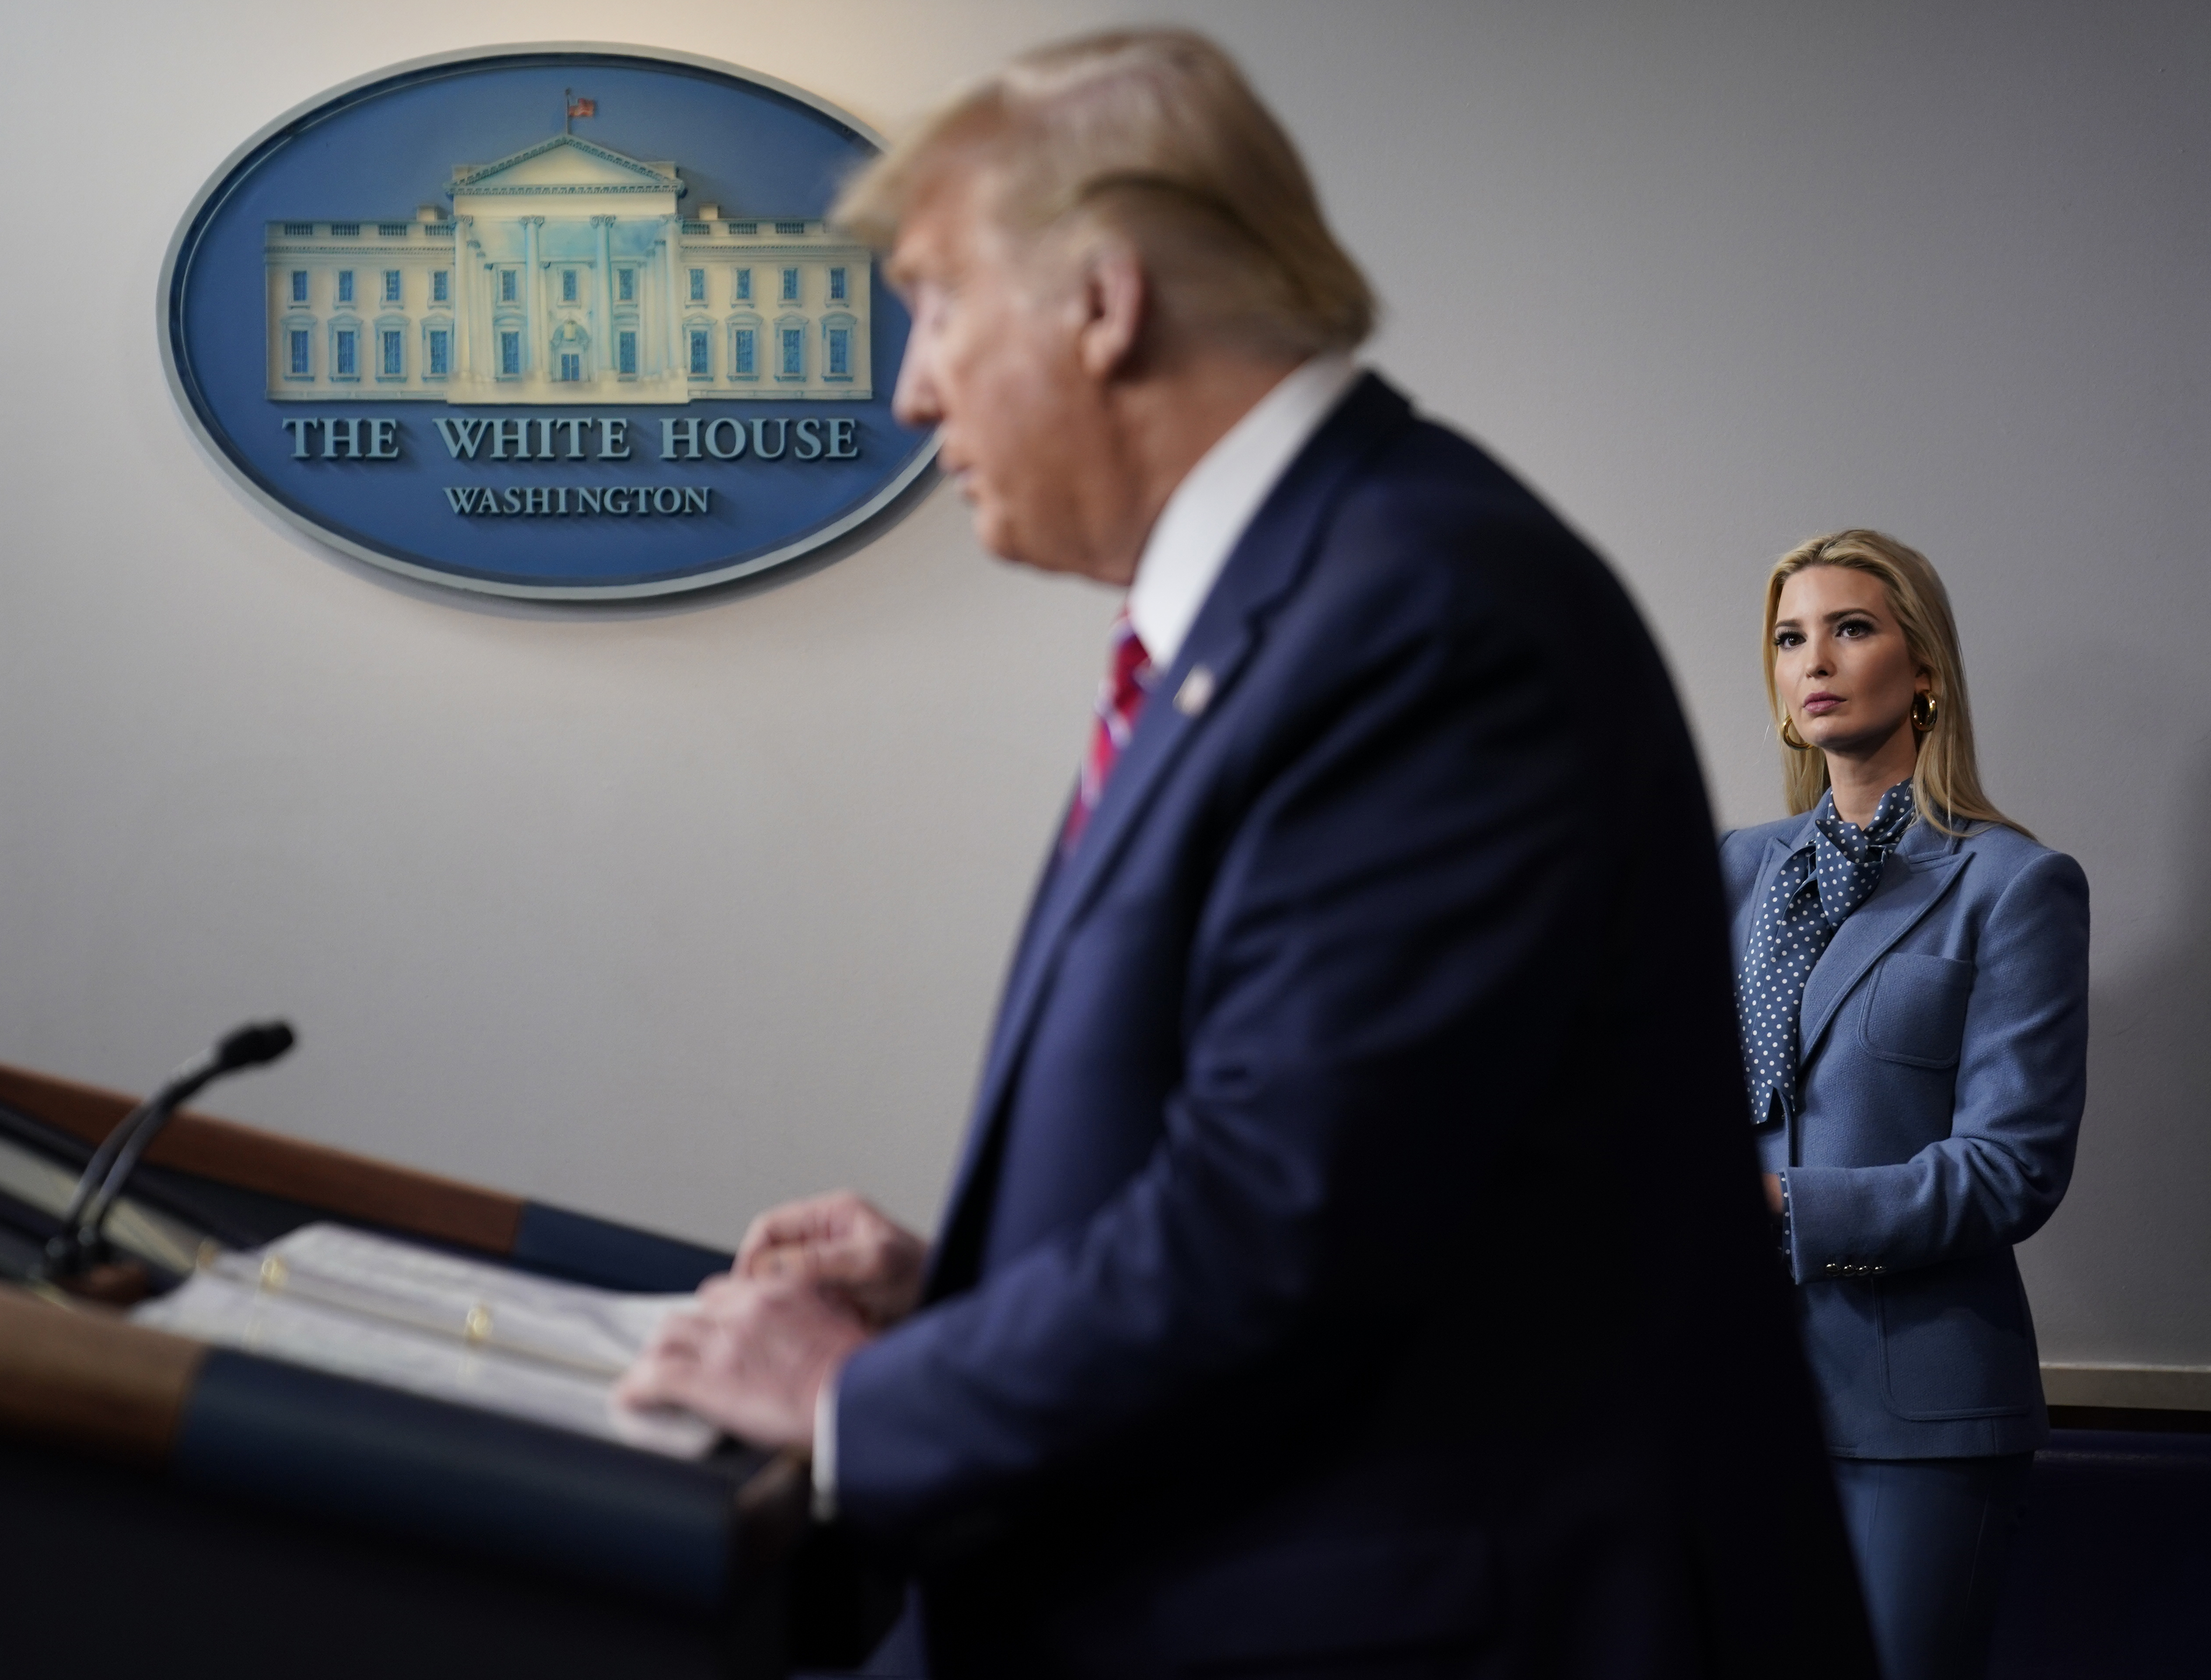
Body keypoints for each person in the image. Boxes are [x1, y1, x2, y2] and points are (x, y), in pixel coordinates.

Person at [619, 30, 1875, 1677]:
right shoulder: (1309, 598)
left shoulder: (1426, 615)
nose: (909, 385)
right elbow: (1349, 1178)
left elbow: (1275, 1227)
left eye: (932, 299)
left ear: (1100, 299)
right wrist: (958, 1303)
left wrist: (849, 1400)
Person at [1723, 530, 2087, 1680]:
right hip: (1729, 1400)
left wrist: (1786, 1205)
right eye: (1790, 637)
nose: (1813, 658)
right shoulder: (1733, 869)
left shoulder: (2012, 884)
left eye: (1851, 627)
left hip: (1917, 1414)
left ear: (1922, 667)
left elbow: (2010, 1165)